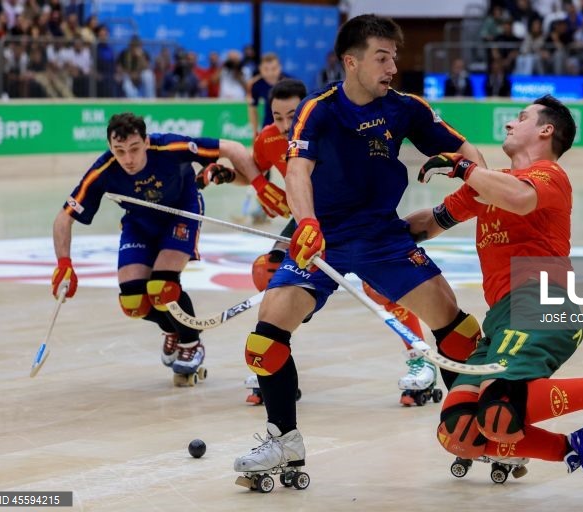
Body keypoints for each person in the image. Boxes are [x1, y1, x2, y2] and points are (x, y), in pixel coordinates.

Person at [232, 14, 487, 484]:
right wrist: (306, 223)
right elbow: (296, 172)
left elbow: (472, 155)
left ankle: (479, 430)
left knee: (458, 328)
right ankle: (284, 443)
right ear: (351, 61)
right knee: (265, 339)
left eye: (395, 57)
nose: (392, 67)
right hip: (321, 242)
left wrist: (448, 212)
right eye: (382, 57)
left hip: (383, 239)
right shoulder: (319, 108)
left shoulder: (406, 107)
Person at [406, 95, 583, 479]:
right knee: (459, 429)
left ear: (545, 130)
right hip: (503, 316)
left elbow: (520, 200)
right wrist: (364, 236)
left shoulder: (548, 176)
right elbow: (428, 224)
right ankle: (576, 448)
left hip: (540, 302)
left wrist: (465, 167)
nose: (509, 124)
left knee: (500, 405)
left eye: (521, 118)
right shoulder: (487, 186)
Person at [199, 78, 438, 406]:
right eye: (277, 117)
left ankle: (419, 357)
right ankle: (275, 354)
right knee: (270, 275)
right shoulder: (268, 138)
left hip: (358, 219)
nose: (284, 126)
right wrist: (228, 175)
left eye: (291, 116)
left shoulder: (333, 129)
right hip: (308, 218)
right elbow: (256, 168)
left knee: (379, 288)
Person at [51, 112, 290, 386]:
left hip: (182, 213)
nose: (128, 159)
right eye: (119, 151)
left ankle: (191, 342)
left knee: (162, 287)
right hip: (139, 223)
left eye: (134, 149)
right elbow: (64, 218)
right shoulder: (103, 170)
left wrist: (260, 186)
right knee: (133, 302)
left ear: (146, 141)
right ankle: (171, 329)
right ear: (110, 148)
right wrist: (64, 264)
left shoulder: (169, 147)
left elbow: (231, 148)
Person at [247, 52, 289, 137]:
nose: (270, 73)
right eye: (266, 69)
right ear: (260, 69)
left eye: (274, 69)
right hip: (268, 124)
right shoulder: (256, 84)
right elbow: (252, 108)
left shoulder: (290, 82)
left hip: (288, 124)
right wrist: (255, 131)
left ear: (280, 68)